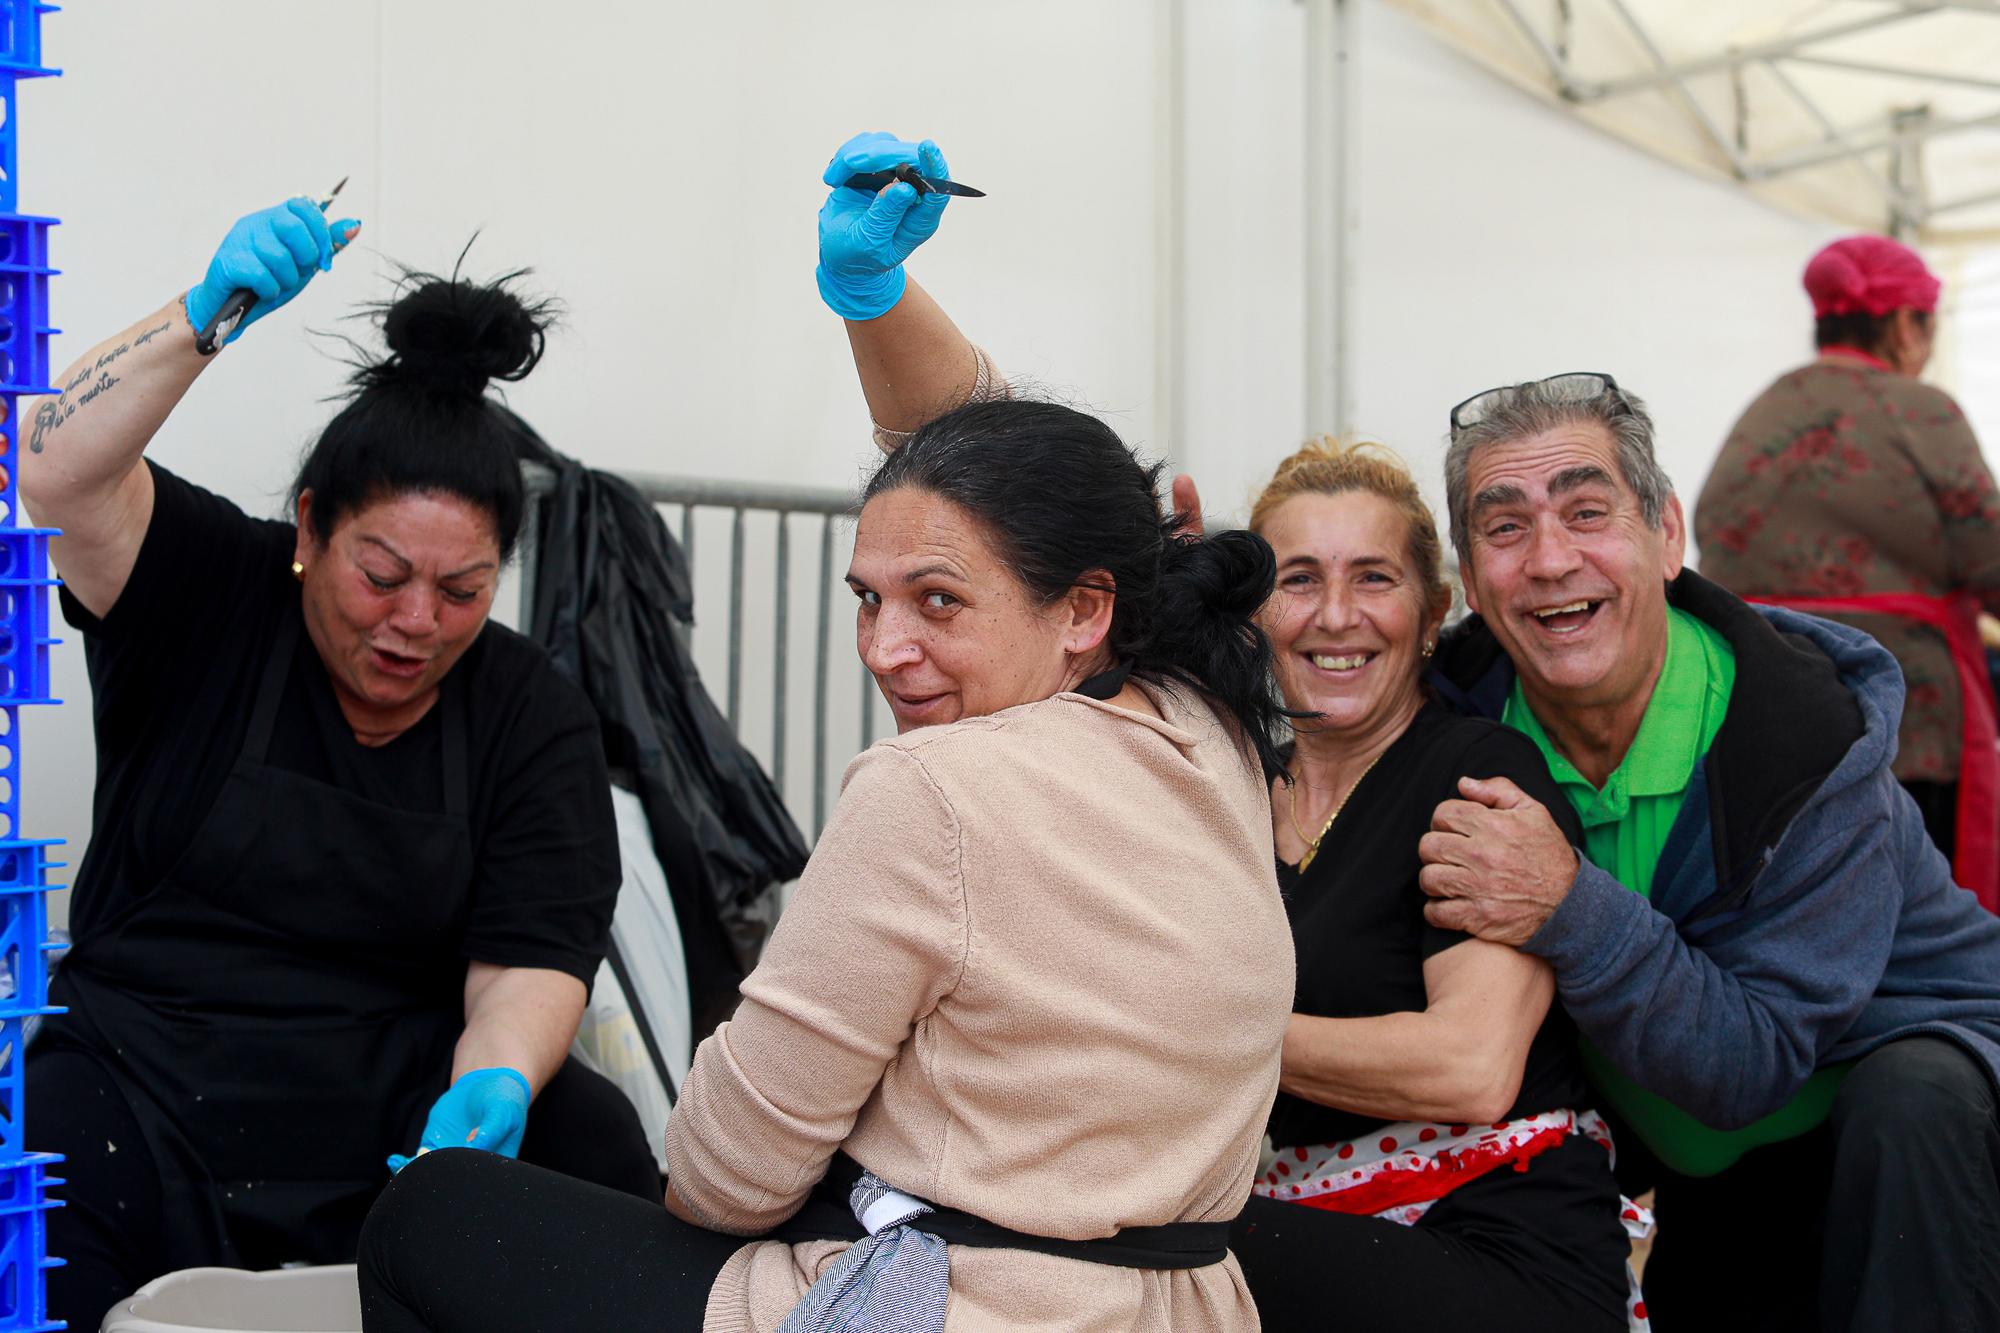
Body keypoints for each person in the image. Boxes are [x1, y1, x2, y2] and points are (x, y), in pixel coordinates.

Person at [806, 130, 1641, 1330]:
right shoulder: (1202, 747)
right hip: (1250, 1207)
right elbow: (1009, 489)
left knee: (1113, 1239)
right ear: (1245, 597)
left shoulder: (1475, 771)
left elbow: (1466, 1069)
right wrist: (873, 299)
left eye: (1375, 579)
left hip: (1481, 1238)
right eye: (1298, 578)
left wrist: (1179, 1030)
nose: (1336, 615)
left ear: (1432, 608)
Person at [360, 394, 1298, 1330]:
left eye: (938, 600)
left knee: (432, 1213)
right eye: (867, 598)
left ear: (1087, 609)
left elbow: (723, 1175)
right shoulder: (1212, 731)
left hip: (967, 1305)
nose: (885, 650)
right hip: (1185, 1305)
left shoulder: (934, 786)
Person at [22, 201, 658, 1329]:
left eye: (461, 591)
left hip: (391, 1109)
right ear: (311, 525)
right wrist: (202, 318)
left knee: (592, 1135)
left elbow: (527, 960)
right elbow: (52, 472)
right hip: (147, 1079)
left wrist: (495, 1078)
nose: (416, 620)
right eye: (382, 573)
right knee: (39, 1172)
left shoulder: (529, 713)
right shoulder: (209, 590)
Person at [1418, 371, 2000, 1332]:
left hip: (1898, 1118)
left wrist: (1567, 901)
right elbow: (1324, 686)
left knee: (1914, 1105)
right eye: (1506, 526)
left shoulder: (1804, 748)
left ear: (1667, 536)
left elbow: (1751, 1060)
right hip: (1702, 1152)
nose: (1552, 558)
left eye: (1588, 511)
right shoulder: (1457, 720)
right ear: (1472, 582)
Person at [1695, 234, 2000, 907]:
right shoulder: (1919, 408)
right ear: (1901, 325)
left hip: (1765, 716)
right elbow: (1991, 556)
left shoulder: (1765, 409)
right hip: (1903, 722)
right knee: (1916, 919)